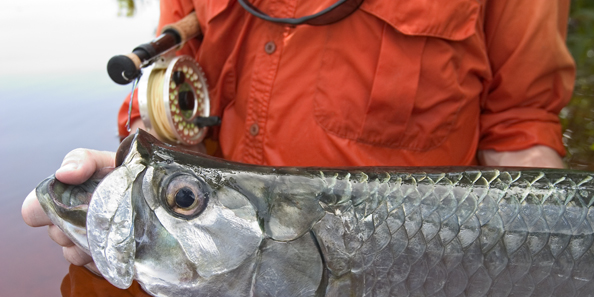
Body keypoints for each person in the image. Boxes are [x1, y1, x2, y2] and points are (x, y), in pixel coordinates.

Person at [22, 0, 575, 266]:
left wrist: (554, 255)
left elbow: (522, 131)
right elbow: (174, 96)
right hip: (227, 278)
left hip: (411, 296)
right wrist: (139, 183)